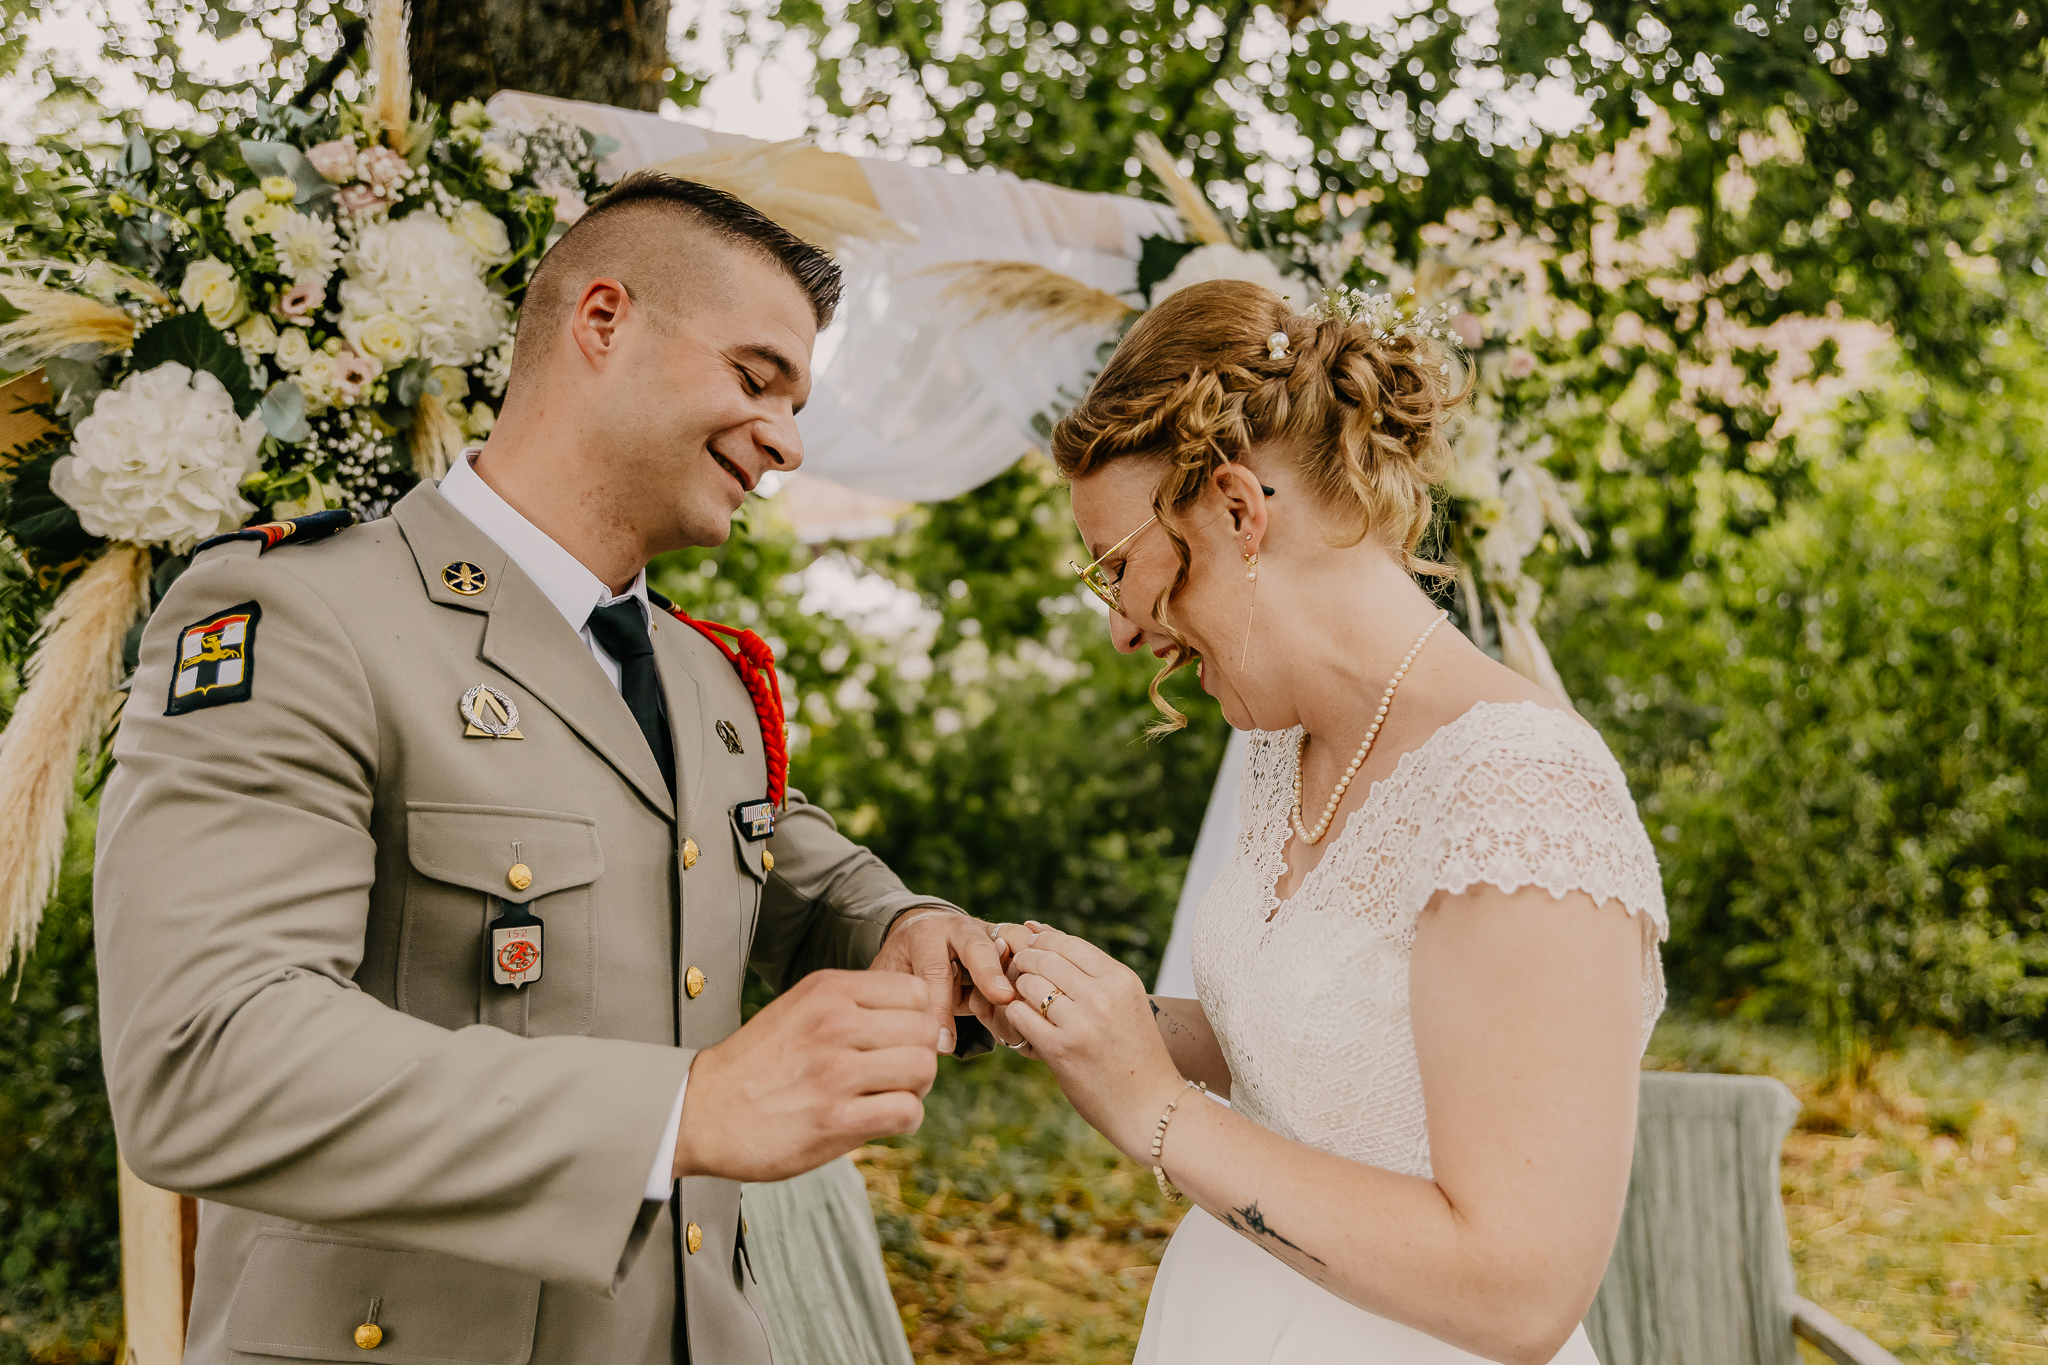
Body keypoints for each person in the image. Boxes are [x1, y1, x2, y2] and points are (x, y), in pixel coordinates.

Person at [94, 172, 1014, 1365]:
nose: (787, 441)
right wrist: (685, 1110)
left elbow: (761, 855)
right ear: (602, 322)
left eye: (793, 403)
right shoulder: (301, 618)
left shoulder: (703, 676)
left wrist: (904, 924)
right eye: (755, 379)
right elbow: (206, 1057)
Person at [983, 279, 1668, 1364]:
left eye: (1117, 570)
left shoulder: (1521, 788)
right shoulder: (1281, 749)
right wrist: (1074, 1006)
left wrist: (1157, 1112)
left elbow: (1519, 1291)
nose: (1120, 630)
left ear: (1237, 510)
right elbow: (1317, 1044)